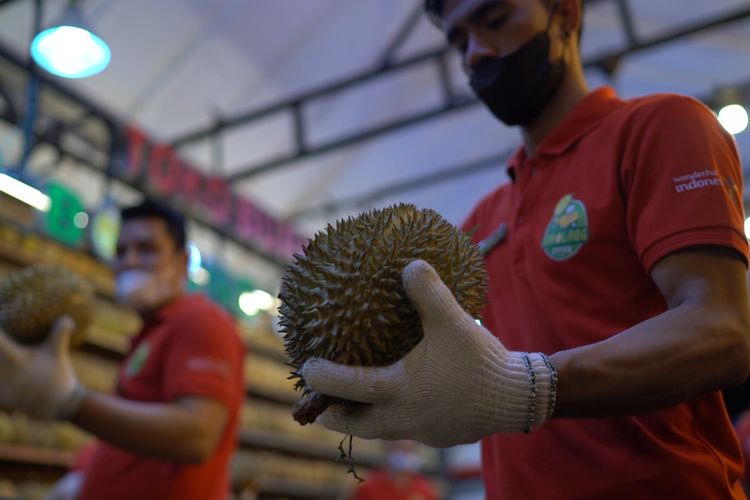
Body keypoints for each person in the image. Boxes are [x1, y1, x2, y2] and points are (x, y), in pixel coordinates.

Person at [300, 0, 750, 498]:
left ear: (565, 15)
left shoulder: (660, 127)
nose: (474, 54)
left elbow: (722, 330)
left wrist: (527, 386)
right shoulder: (477, 225)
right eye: (458, 40)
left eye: (494, 20)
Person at [0, 200, 245, 500]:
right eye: (120, 251)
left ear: (182, 262)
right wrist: (85, 473)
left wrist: (71, 402)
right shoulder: (151, 332)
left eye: (147, 249)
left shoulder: (203, 321)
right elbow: (133, 431)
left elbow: (197, 436)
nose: (129, 261)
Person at [349, 440, 439, 500]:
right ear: (387, 449)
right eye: (400, 448)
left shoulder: (425, 490)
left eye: (409, 449)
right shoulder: (368, 487)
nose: (405, 455)